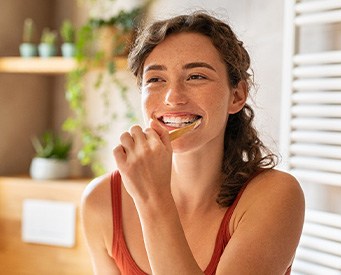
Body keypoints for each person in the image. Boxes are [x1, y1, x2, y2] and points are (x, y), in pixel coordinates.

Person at [81, 11, 305, 275]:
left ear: (237, 95)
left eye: (196, 76)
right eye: (155, 79)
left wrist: (153, 198)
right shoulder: (101, 201)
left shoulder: (275, 196)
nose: (173, 97)